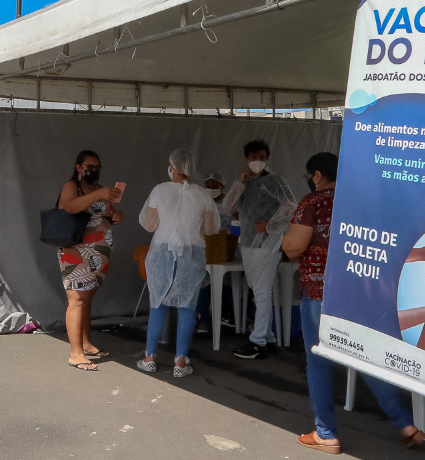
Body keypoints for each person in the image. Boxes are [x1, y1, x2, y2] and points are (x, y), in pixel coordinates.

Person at [282, 152, 424, 454]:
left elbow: (293, 247)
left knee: (318, 360)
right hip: (359, 291)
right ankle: (406, 425)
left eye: (310, 175)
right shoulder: (359, 201)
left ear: (317, 175)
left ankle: (325, 433)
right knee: (363, 355)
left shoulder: (312, 203)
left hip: (320, 292)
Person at [136, 149, 219, 376]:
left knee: (158, 304)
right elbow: (210, 229)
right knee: (187, 307)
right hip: (192, 254)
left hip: (162, 253)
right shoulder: (202, 195)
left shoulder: (159, 190)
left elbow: (149, 224)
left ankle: (149, 357)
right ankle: (180, 362)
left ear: (173, 167)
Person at [222, 140, 296, 359]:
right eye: (254, 157)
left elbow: (291, 206)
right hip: (248, 243)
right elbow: (228, 207)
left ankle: (258, 341)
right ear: (247, 159)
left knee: (261, 292)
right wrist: (240, 182)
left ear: (267, 158)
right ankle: (268, 337)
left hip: (267, 244)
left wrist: (270, 226)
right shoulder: (244, 183)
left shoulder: (275, 181)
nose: (258, 161)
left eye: (262, 157)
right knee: (259, 290)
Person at [56, 149, 123, 371]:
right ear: (79, 167)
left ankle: (85, 344)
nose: (93, 171)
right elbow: (70, 207)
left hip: (98, 253)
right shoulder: (71, 186)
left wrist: (116, 216)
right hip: (76, 251)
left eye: (97, 167)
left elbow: (105, 215)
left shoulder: (99, 188)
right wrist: (98, 194)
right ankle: (76, 354)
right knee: (76, 299)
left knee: (86, 299)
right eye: (89, 167)